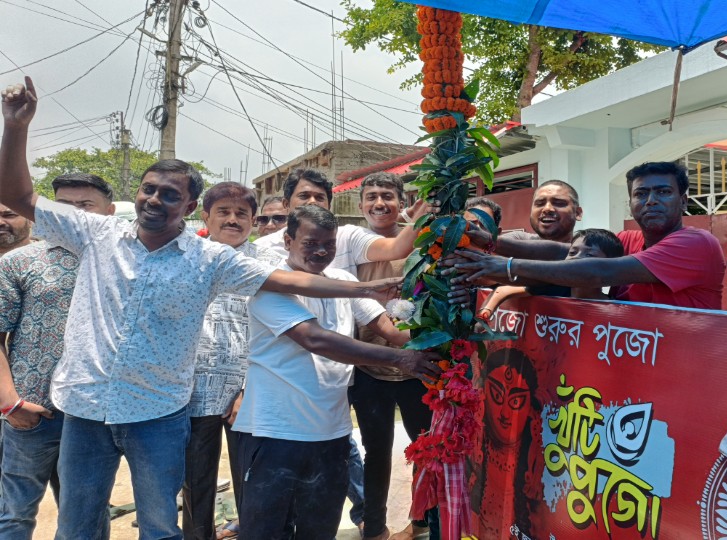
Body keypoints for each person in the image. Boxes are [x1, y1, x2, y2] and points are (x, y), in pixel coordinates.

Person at [0, 77, 438, 540]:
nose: (154, 199)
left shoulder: (210, 258)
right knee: (77, 527)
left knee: (161, 528)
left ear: (189, 206)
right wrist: (16, 126)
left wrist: (367, 289)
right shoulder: (96, 233)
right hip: (86, 408)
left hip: (157, 413)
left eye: (170, 194)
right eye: (149, 189)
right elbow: (17, 197)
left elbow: (286, 281)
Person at [233, 205, 433, 540]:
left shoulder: (344, 281)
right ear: (288, 241)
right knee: (266, 531)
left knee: (319, 529)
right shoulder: (270, 286)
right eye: (310, 243)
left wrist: (445, 339)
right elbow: (317, 340)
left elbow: (389, 329)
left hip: (332, 433)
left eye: (329, 244)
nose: (321, 251)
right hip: (277, 433)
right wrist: (402, 360)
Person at [0, 173, 114, 538]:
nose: (73, 215)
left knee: (87, 515)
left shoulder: (123, 264)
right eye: (63, 206)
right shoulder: (19, 262)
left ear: (109, 212)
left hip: (93, 413)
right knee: (14, 513)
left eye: (85, 206)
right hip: (32, 413)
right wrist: (10, 403)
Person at [451, 162, 725, 310]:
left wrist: (508, 266)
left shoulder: (696, 243)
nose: (651, 200)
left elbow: (597, 271)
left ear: (683, 201)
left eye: (663, 192)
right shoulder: (628, 240)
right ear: (631, 203)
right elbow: (562, 253)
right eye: (641, 194)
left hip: (683, 368)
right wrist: (490, 241)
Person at [182, 183, 283, 540]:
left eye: (242, 213)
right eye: (223, 211)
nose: (232, 219)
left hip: (249, 393)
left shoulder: (270, 264)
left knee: (253, 484)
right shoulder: (186, 258)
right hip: (193, 393)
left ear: (254, 221)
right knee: (196, 484)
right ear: (205, 216)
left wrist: (249, 388)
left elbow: (277, 332)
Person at [351, 173, 438, 540]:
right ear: (360, 205)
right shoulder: (349, 246)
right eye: (371, 196)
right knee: (375, 452)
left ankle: (422, 524)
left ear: (401, 203)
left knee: (426, 451)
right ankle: (374, 528)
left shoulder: (423, 244)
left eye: (387, 196)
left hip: (418, 369)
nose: (379, 203)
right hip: (369, 368)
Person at [254, 168, 426, 274]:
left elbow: (396, 248)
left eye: (320, 197)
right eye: (304, 196)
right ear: (286, 204)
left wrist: (426, 207)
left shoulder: (348, 236)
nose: (312, 202)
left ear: (329, 205)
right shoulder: (260, 249)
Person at [469, 348, 542, 539]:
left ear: (530, 409)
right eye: (497, 395)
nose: (504, 414)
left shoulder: (537, 483)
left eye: (516, 402)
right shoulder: (470, 463)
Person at [478, 228, 625, 317]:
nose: (576, 259)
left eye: (589, 255)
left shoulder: (620, 310)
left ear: (610, 266)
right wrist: (485, 315)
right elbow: (503, 290)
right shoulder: (554, 288)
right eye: (572, 252)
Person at [505, 180, 582, 242]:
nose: (547, 209)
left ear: (577, 213)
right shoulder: (517, 239)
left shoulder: (587, 246)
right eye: (540, 204)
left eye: (558, 203)